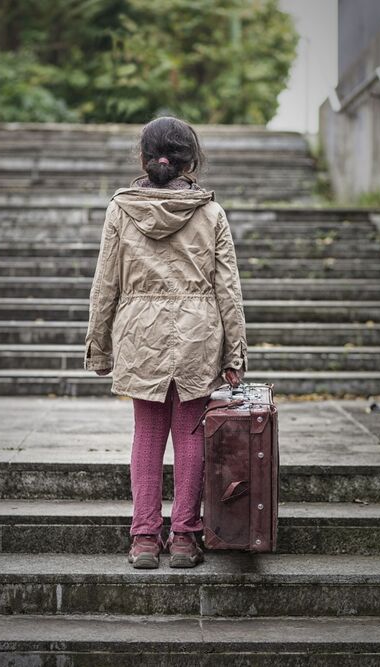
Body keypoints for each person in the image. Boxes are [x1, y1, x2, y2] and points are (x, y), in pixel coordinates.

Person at [84, 115, 248, 569]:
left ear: (144, 158)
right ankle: (183, 538)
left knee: (147, 433)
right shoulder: (211, 212)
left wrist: (99, 347)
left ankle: (142, 539)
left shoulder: (121, 208)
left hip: (139, 333)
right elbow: (228, 289)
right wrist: (234, 352)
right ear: (189, 161)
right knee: (192, 434)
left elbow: (105, 284)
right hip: (198, 334)